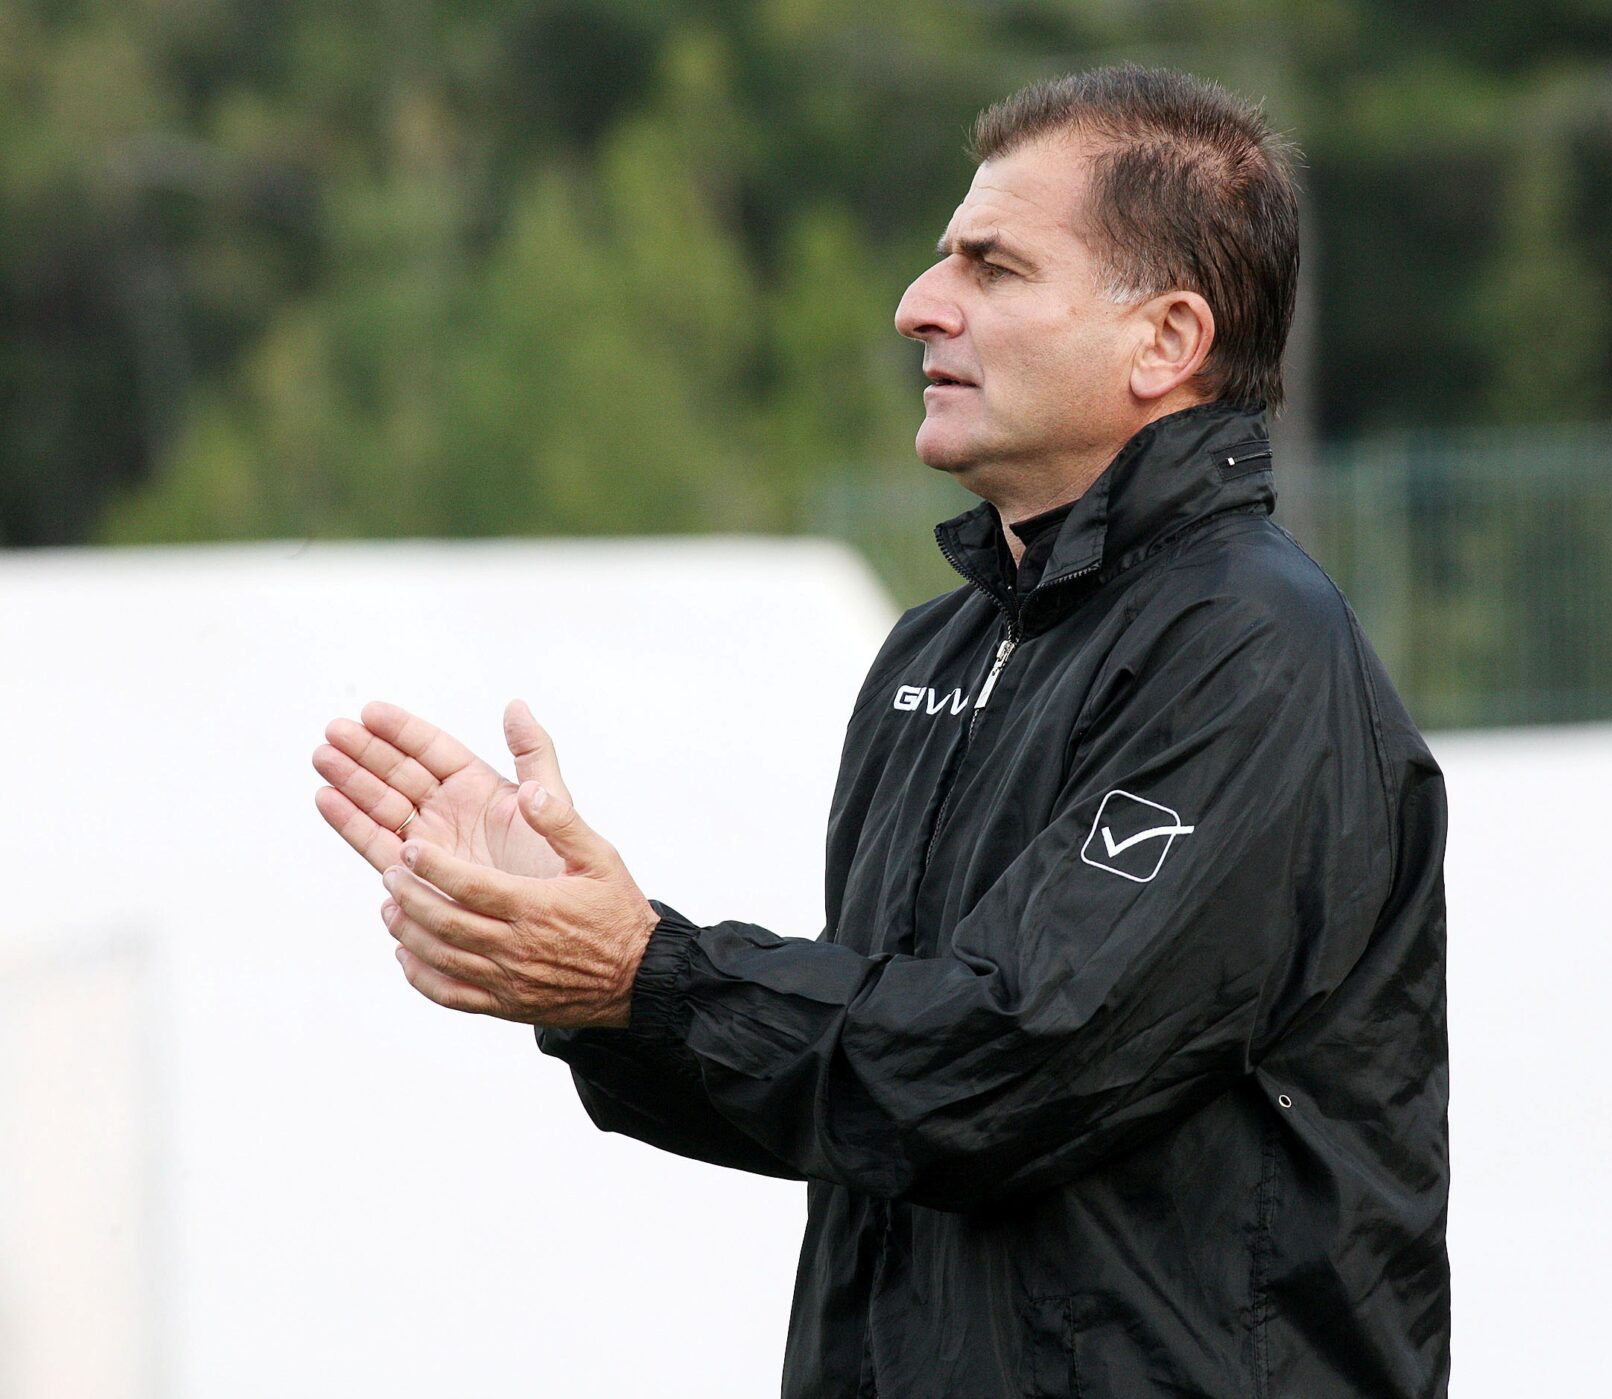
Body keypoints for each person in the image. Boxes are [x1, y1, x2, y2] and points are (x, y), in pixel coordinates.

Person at [312, 64, 1450, 1397]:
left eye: (993, 267)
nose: (920, 304)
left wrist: (643, 975)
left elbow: (1009, 1064)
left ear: (1166, 341)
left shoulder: (1250, 648)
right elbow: (870, 1102)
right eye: (942, 257)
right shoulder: (937, 651)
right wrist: (584, 979)